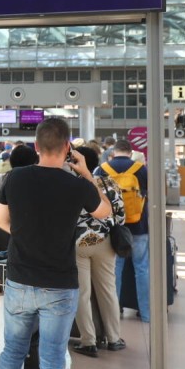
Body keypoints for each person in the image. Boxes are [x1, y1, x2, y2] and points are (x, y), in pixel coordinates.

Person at [0, 118, 111, 369]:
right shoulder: (76, 184)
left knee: (12, 352)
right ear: (67, 148)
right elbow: (104, 211)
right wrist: (87, 172)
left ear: (37, 146)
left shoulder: (15, 178)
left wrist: (27, 239)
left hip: (19, 278)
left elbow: (1, 222)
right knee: (52, 360)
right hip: (59, 284)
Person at [70, 146, 126, 357]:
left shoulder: (71, 185)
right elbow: (121, 215)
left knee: (81, 293)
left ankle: (88, 341)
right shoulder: (109, 183)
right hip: (106, 241)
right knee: (108, 290)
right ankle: (114, 338)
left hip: (78, 243)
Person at [97, 138, 150, 323]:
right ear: (130, 151)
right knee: (142, 269)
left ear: (114, 151)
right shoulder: (141, 169)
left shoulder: (103, 169)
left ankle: (114, 313)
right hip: (139, 225)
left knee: (114, 270)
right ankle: (146, 314)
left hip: (113, 227)